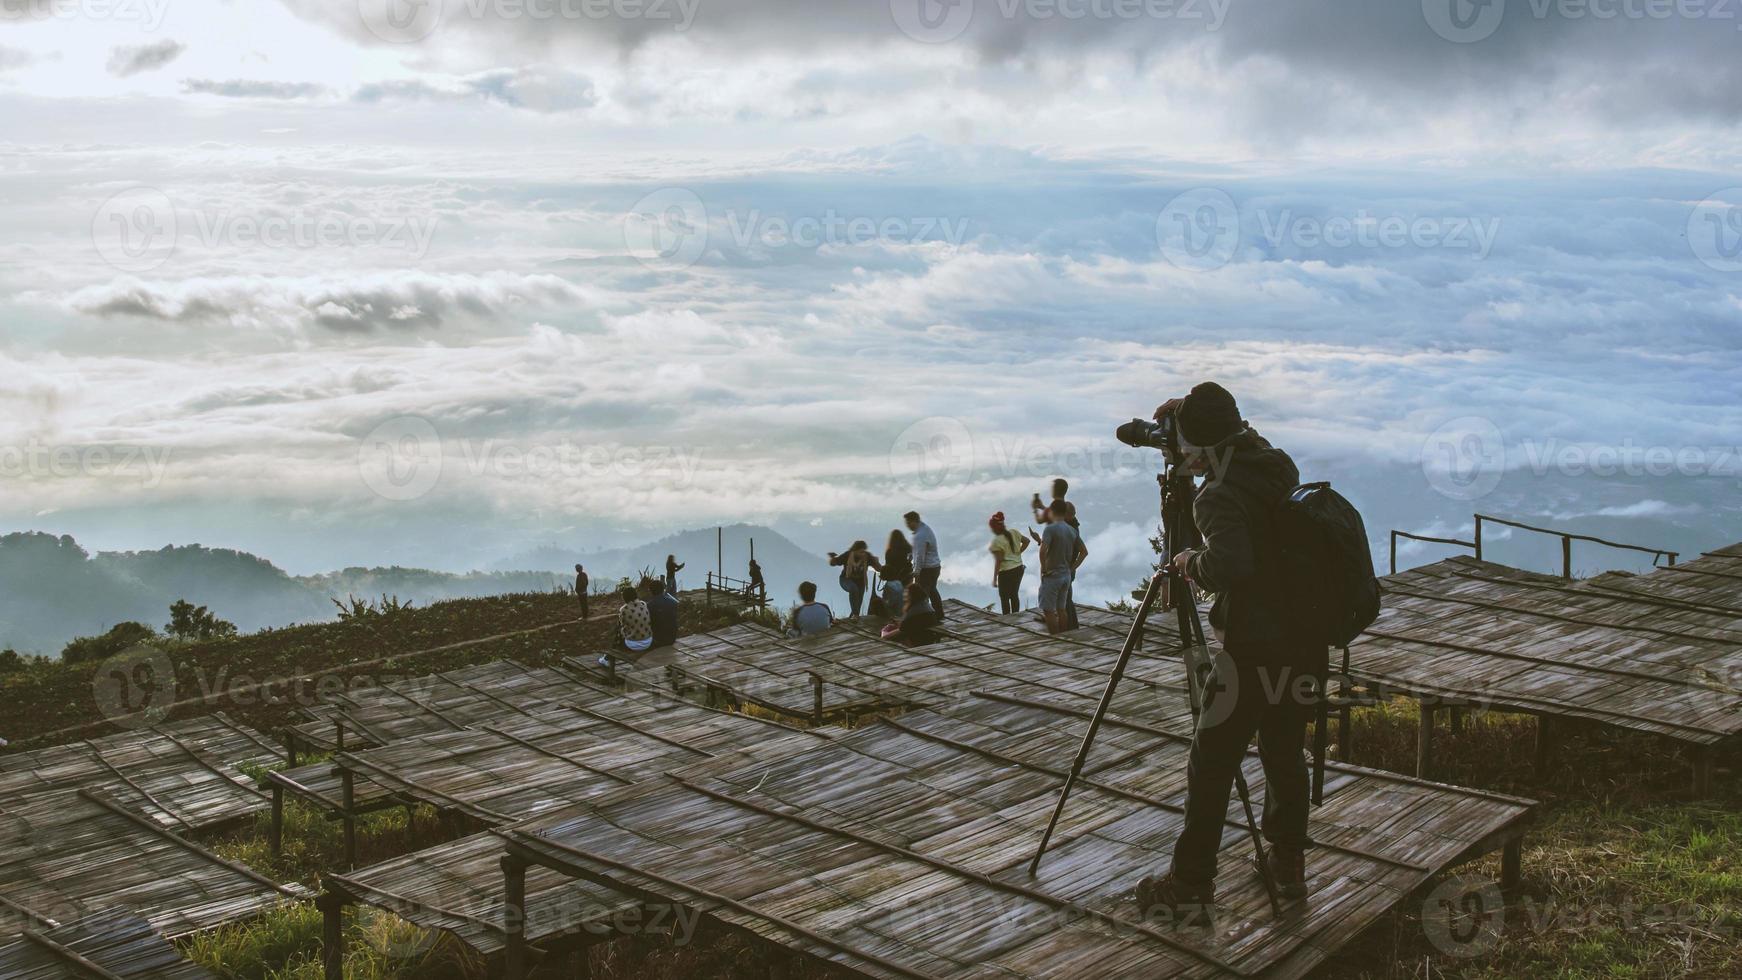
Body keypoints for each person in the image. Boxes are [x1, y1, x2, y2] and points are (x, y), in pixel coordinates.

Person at [1135, 381, 1319, 918]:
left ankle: (1191, 882)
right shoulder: (1276, 463)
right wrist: (1196, 424)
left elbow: (1231, 565)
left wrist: (1189, 562)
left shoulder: (1215, 495)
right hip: (1303, 643)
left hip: (1251, 650)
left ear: (1199, 444)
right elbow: (1239, 443)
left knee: (1210, 763)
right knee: (1285, 753)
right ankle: (1288, 866)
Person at [1034, 478, 1081, 629]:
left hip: (1054, 564)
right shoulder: (1067, 511)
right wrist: (1072, 566)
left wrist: (1036, 508)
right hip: (1067, 563)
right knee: (1065, 599)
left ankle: (1062, 627)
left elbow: (1041, 520)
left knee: (1055, 602)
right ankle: (1067, 626)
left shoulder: (1055, 515)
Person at [905, 511, 945, 621]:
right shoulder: (925, 529)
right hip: (935, 566)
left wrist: (916, 572)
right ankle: (939, 613)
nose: (907, 525)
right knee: (932, 590)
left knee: (921, 595)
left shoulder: (920, 535)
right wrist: (910, 555)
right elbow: (918, 551)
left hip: (927, 569)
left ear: (914, 521)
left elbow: (920, 555)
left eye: (908, 522)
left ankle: (923, 617)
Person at [601, 584, 653, 666]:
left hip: (633, 644)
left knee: (617, 633)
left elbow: (622, 624)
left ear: (625, 597)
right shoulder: (644, 604)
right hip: (648, 641)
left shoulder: (624, 609)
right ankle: (607, 657)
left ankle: (607, 658)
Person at [988, 512, 1028, 615]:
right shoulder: (1014, 532)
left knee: (1004, 598)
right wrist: (1018, 553)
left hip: (1006, 572)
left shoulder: (997, 541)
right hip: (1019, 569)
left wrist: (994, 579)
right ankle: (1016, 617)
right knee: (1014, 595)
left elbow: (999, 560)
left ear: (995, 527)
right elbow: (1027, 541)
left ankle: (1007, 619)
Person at [828, 540, 881, 619]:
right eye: (860, 552)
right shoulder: (848, 555)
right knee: (854, 589)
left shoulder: (867, 556)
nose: (862, 554)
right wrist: (832, 558)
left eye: (864, 551)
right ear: (854, 551)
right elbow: (834, 563)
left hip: (860, 582)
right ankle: (855, 615)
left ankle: (853, 618)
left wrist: (876, 562)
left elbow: (879, 569)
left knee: (858, 603)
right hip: (845, 580)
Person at [882, 581, 941, 646]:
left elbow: (888, 636)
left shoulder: (914, 611)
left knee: (888, 637)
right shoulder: (927, 606)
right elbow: (911, 625)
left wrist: (885, 631)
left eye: (906, 593)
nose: (904, 595)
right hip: (929, 638)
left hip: (917, 642)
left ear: (912, 595)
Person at [879, 529, 912, 616]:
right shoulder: (908, 549)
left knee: (896, 596)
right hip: (907, 575)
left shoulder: (890, 552)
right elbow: (911, 560)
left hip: (894, 577)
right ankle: (908, 613)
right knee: (907, 595)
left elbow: (888, 566)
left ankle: (897, 614)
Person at [645, 576, 679, 649]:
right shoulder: (673, 602)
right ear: (663, 589)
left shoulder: (649, 605)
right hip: (672, 638)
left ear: (651, 591)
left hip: (658, 640)